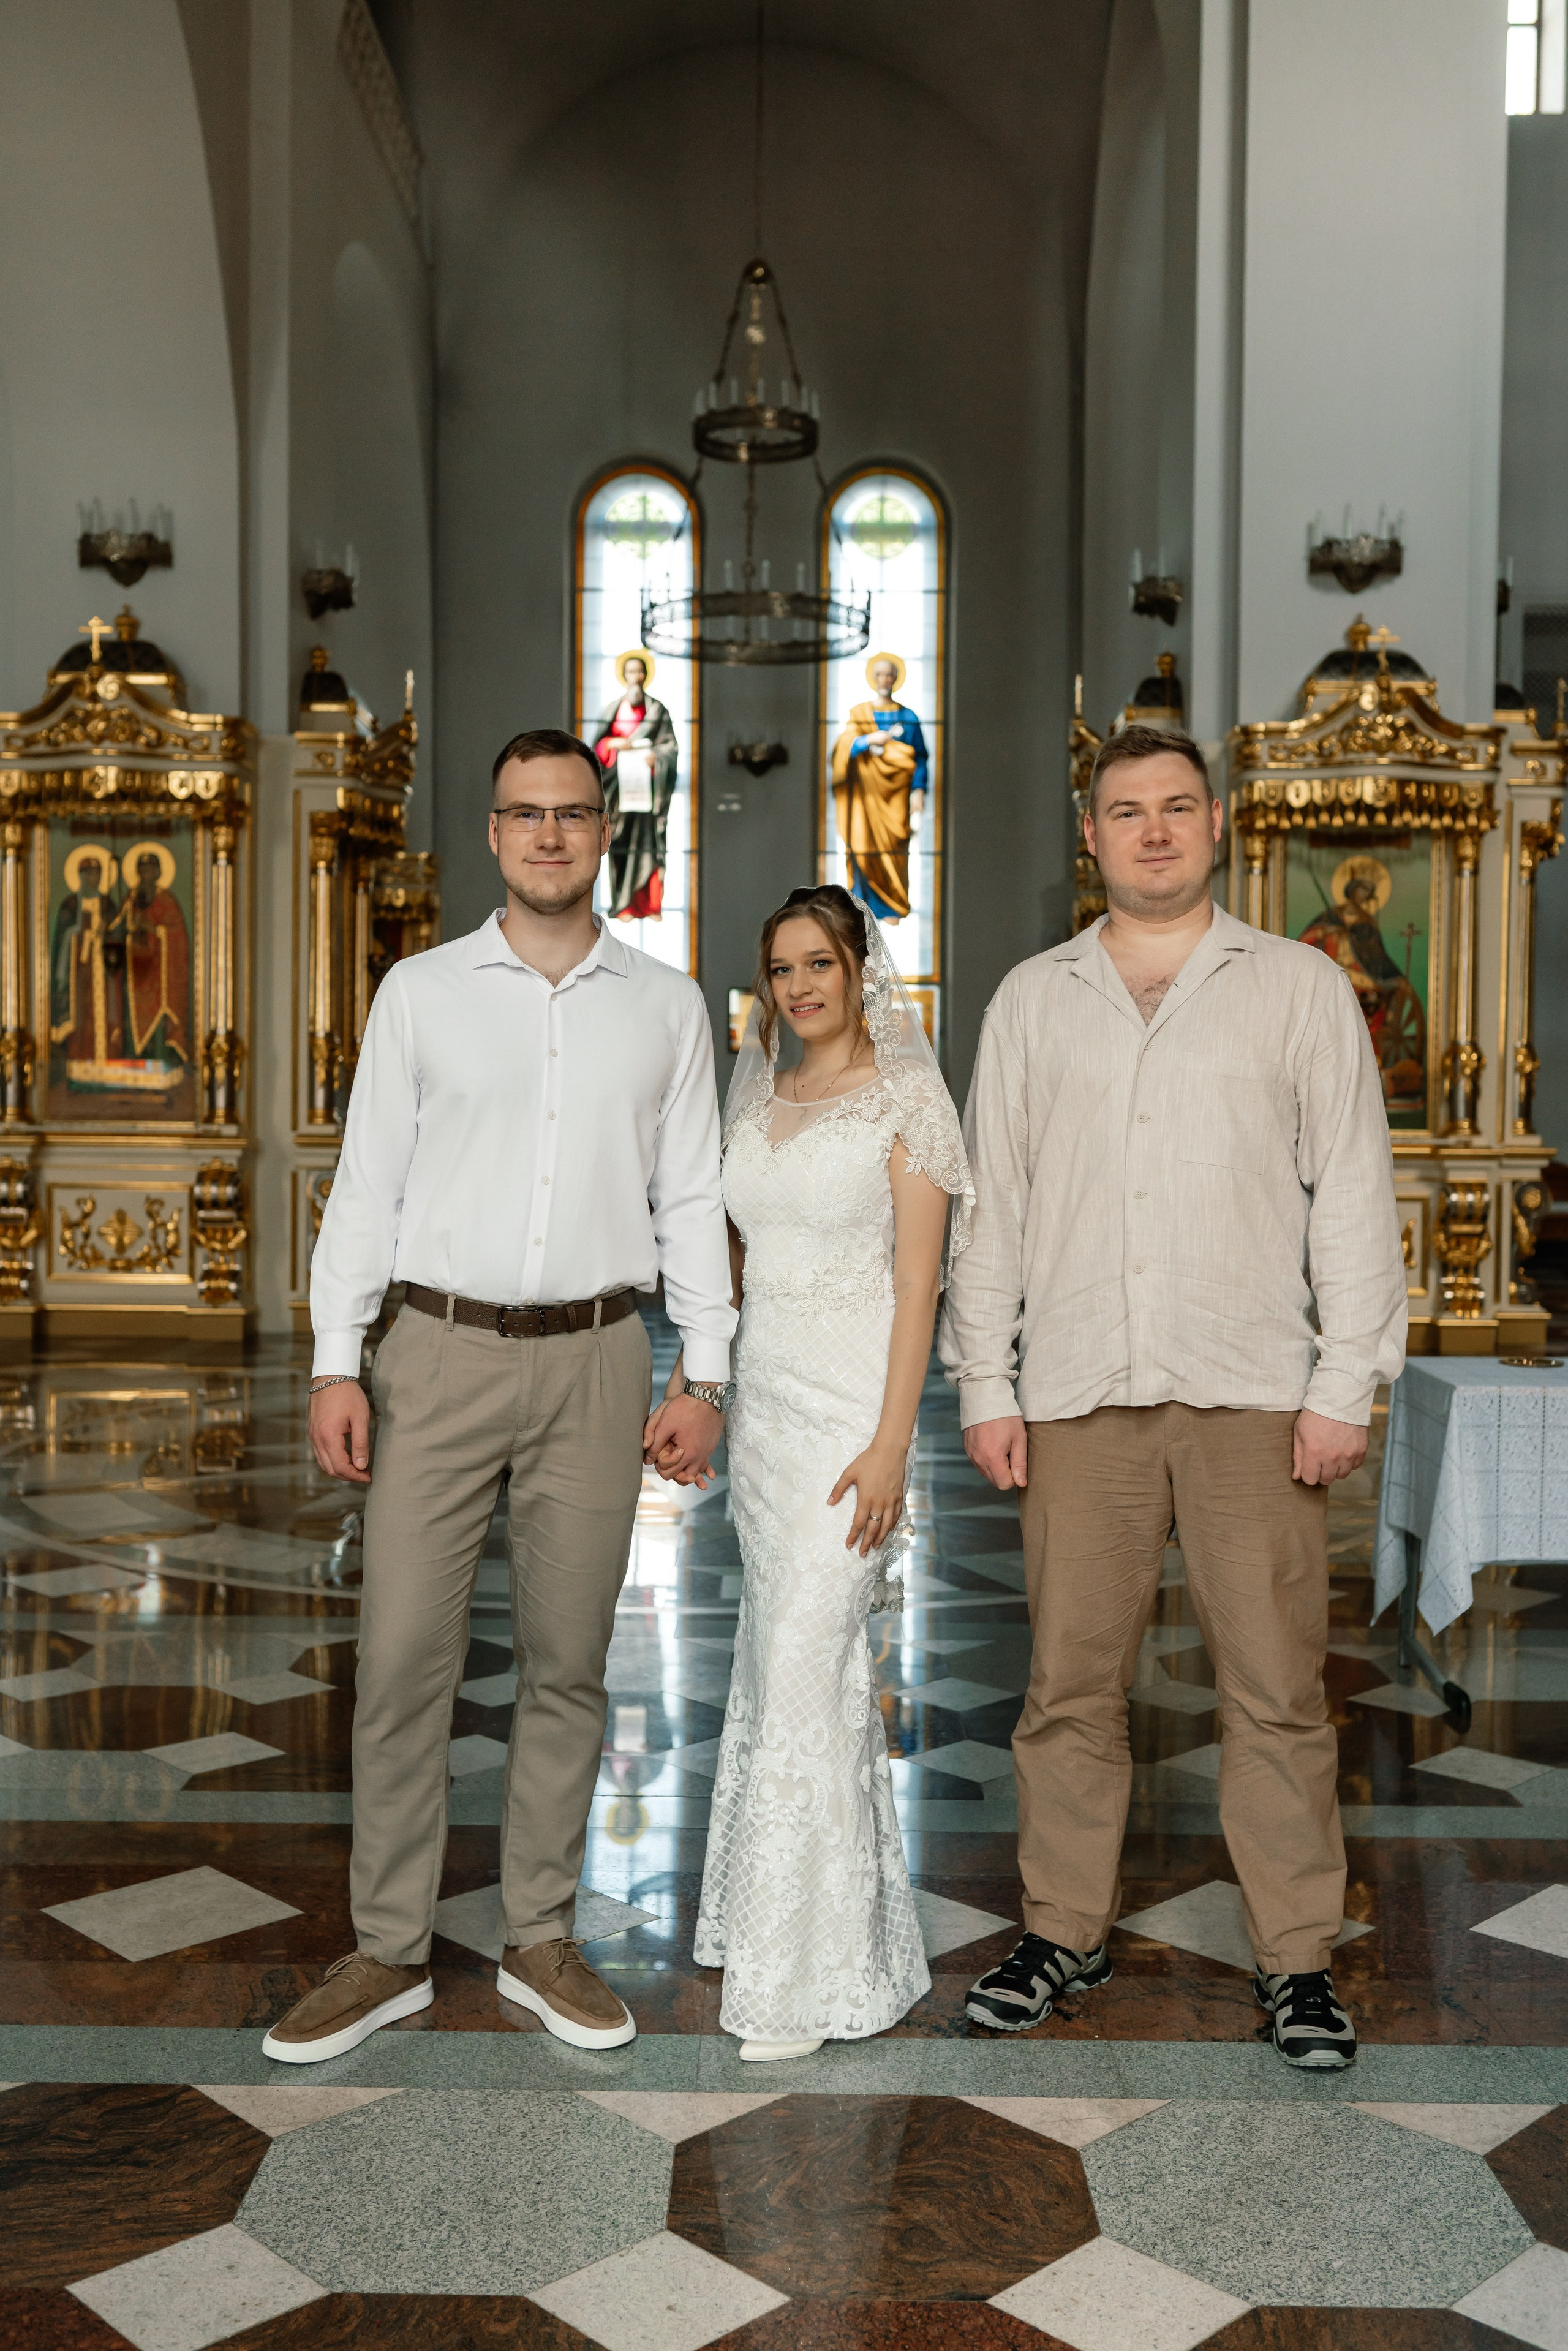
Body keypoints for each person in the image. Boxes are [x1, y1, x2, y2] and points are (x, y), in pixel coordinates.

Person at [263, 726, 735, 2064]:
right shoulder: (419, 991)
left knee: (569, 1665)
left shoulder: (664, 1005)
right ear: (490, 832)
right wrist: (335, 1357)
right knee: (403, 1657)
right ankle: (385, 1948)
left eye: (571, 814)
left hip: (597, 1355)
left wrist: (707, 1368)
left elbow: (691, 1193)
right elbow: (367, 1184)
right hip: (436, 1350)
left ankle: (538, 1933)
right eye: (521, 812)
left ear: (605, 833)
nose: (546, 835)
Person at [941, 723, 1406, 2070]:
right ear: (1086, 836)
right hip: (1080, 1387)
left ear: (1217, 827)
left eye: (1175, 807)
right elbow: (996, 1209)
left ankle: (1296, 1956)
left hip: (1252, 1391)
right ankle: (1061, 1927)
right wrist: (987, 1378)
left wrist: (1341, 1382)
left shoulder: (1297, 988)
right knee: (1065, 1688)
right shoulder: (1033, 998)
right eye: (1124, 810)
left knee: (1272, 1690)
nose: (1151, 829)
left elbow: (1355, 1197)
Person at [674, 883, 973, 2059]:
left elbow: (919, 1284)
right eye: (780, 967)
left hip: (855, 1420)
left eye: (818, 963)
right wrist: (708, 1394)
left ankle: (807, 1980)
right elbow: (731, 1260)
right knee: (774, 1666)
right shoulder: (765, 1093)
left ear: (861, 970)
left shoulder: (906, 1099)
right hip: (767, 1419)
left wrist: (894, 1439)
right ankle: (778, 1925)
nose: (798, 986)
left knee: (808, 1664)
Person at [830, 654, 929, 922]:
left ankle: (893, 905)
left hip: (896, 797)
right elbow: (842, 749)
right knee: (861, 847)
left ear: (896, 679)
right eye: (880, 675)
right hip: (865, 798)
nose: (885, 680)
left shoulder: (908, 717)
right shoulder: (860, 713)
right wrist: (867, 740)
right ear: (874, 679)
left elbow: (920, 757)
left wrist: (918, 791)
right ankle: (861, 906)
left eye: (889, 675)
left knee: (896, 848)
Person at [586, 650, 679, 919]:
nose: (635, 678)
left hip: (648, 794)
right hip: (618, 794)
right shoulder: (612, 710)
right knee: (620, 843)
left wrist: (657, 759)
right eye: (630, 673)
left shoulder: (657, 710)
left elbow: (670, 749)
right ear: (624, 677)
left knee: (649, 845)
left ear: (646, 676)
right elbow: (595, 753)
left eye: (640, 672)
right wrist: (614, 744)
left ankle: (648, 906)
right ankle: (624, 904)